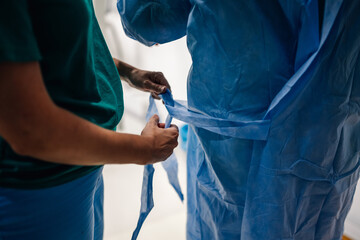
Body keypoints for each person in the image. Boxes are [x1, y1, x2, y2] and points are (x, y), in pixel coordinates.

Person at [119, 0, 360, 239]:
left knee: (226, 219)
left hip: (235, 133)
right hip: (329, 130)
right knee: (313, 219)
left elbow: (144, 18)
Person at [0, 1, 178, 240]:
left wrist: (126, 72)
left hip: (82, 169)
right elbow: (28, 129)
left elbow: (59, 45)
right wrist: (146, 149)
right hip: (36, 191)